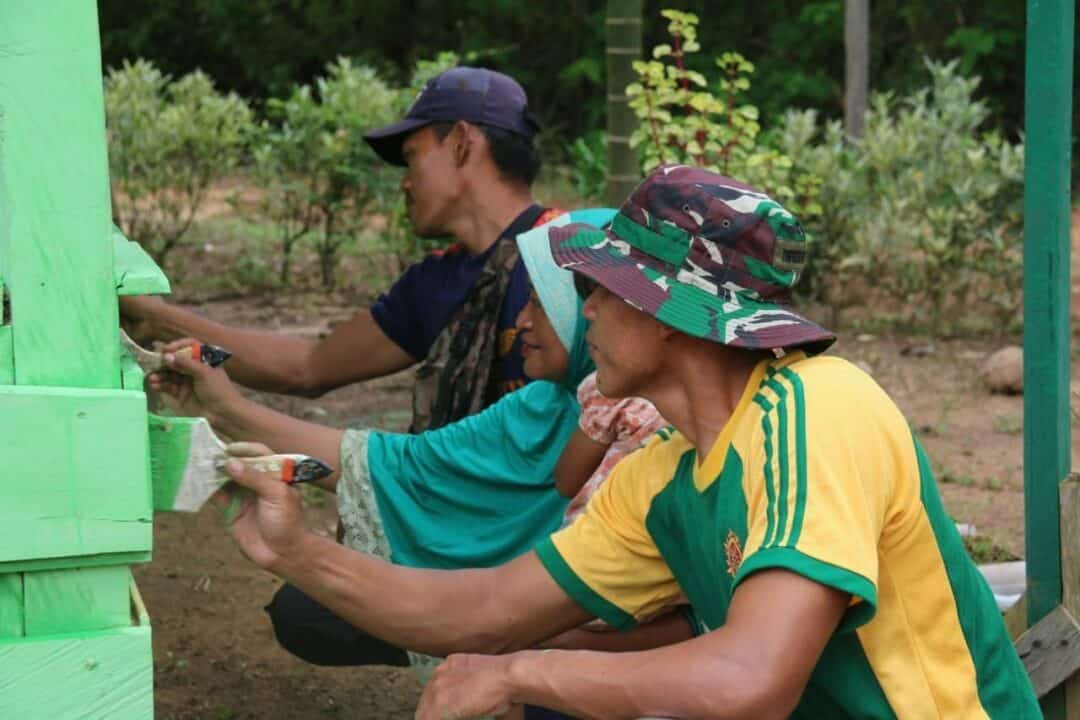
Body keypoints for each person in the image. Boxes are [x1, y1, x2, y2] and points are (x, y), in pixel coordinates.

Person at [213, 165, 1039, 719]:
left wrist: (518, 671)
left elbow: (751, 678)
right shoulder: (664, 471)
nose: (591, 313)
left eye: (602, 290)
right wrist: (296, 554)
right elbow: (488, 608)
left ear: (669, 311)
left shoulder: (816, 409)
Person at [122, 66, 560, 434]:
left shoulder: (569, 259)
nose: (404, 183)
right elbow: (308, 367)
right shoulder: (435, 282)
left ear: (462, 142)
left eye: (411, 157)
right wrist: (158, 317)